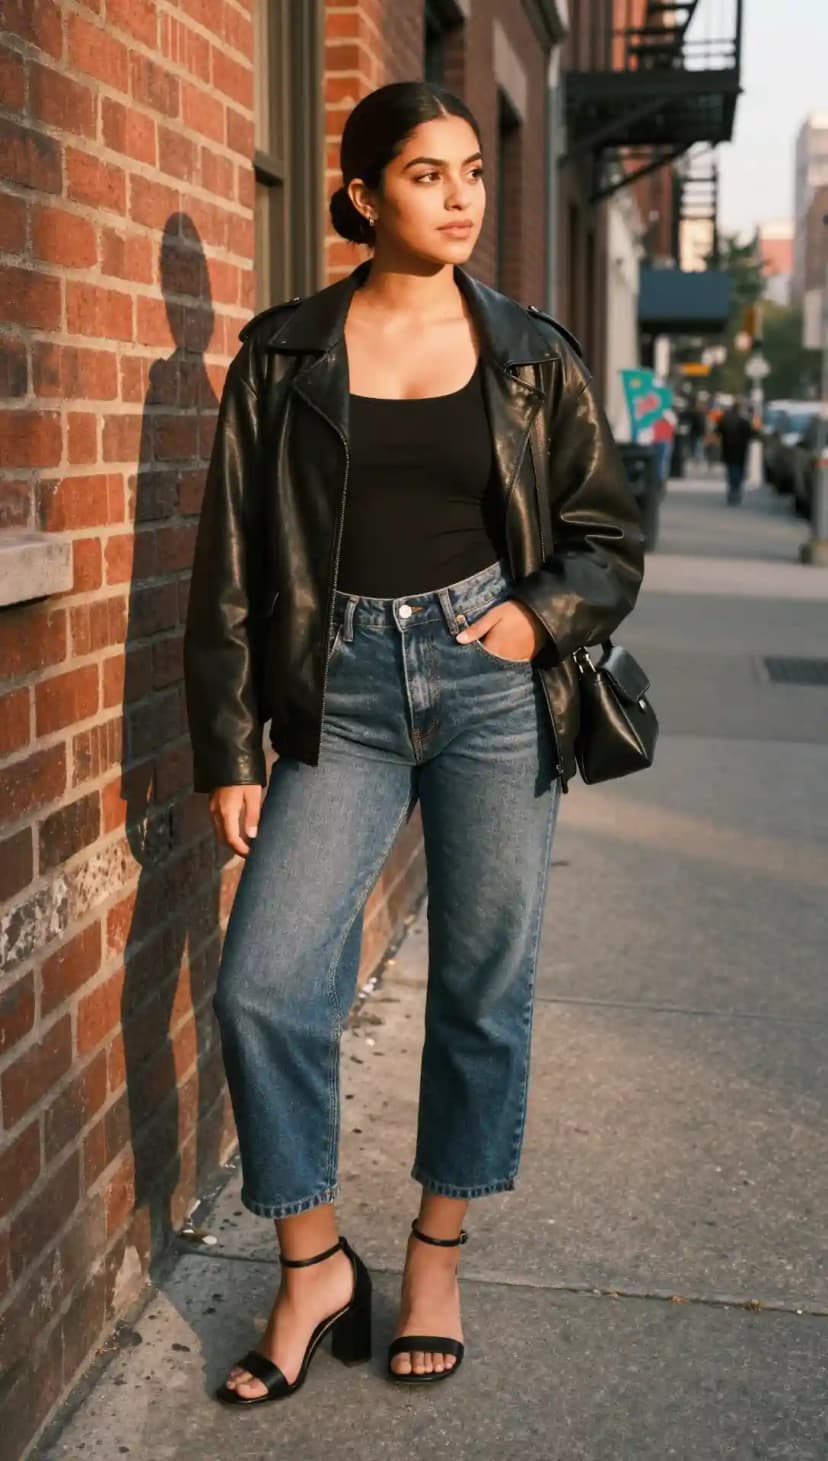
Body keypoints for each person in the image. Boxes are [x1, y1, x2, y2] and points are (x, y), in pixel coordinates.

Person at [183, 80, 644, 1407]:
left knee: (481, 987)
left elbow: (605, 537)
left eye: (471, 175)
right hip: (338, 693)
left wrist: (531, 621)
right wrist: (228, 745)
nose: (461, 197)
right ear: (362, 194)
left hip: (493, 685)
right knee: (264, 983)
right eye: (429, 174)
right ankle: (315, 1261)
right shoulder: (281, 357)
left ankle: (437, 1250)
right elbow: (223, 571)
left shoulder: (531, 353)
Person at [716, 396, 756, 504]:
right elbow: (751, 435)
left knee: (731, 471)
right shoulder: (744, 421)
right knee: (738, 471)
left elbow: (718, 431)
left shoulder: (725, 419)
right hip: (740, 451)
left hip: (728, 450)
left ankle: (732, 491)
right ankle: (736, 490)